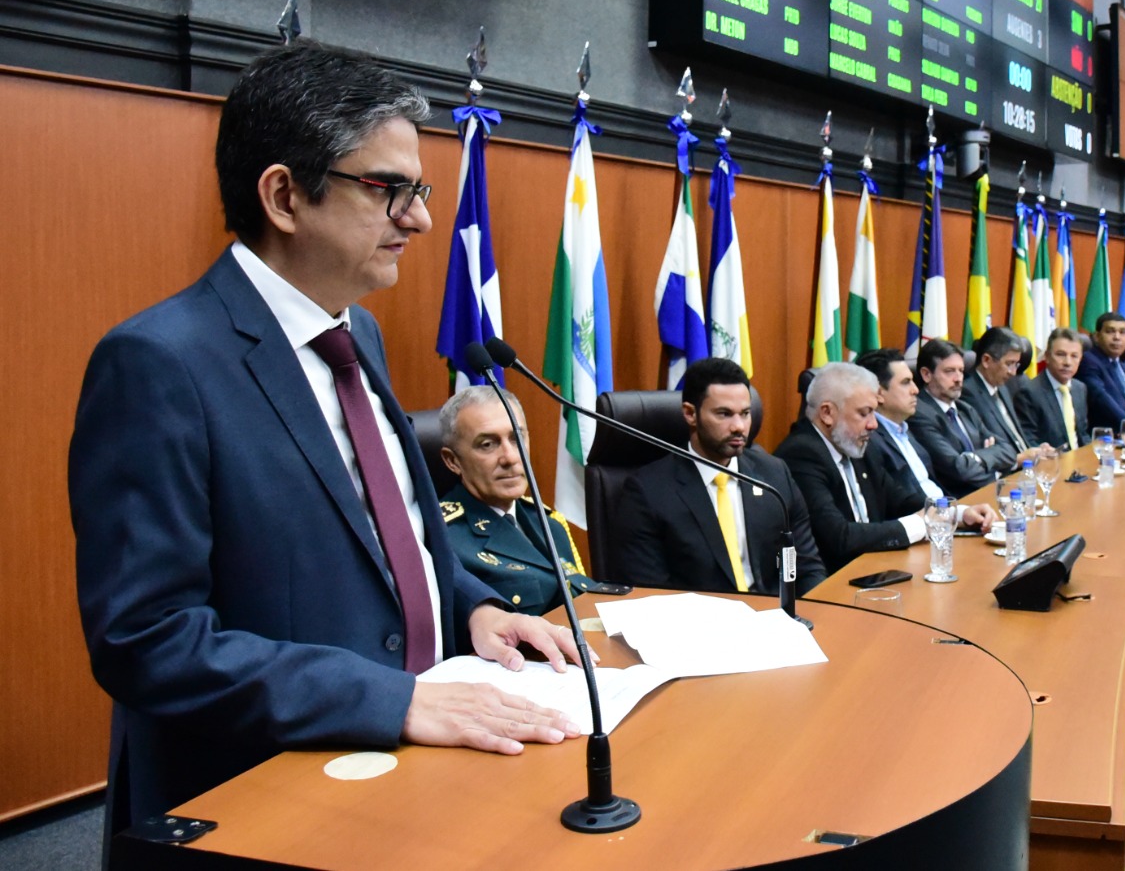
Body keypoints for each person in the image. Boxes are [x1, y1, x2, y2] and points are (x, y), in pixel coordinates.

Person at [69, 41, 584, 840]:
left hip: (413, 777)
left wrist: (473, 608)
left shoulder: (359, 333)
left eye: (420, 190)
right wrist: (393, 700)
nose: (419, 218)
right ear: (283, 195)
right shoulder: (159, 364)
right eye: (388, 189)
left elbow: (395, 537)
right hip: (264, 801)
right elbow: (147, 641)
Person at [611, 357, 826, 596]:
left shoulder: (774, 475)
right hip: (699, 626)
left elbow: (806, 567)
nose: (739, 427)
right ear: (690, 414)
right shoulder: (649, 491)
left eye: (745, 413)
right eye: (724, 414)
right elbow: (649, 592)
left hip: (774, 618)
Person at [776, 362, 975, 573]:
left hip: (876, 569)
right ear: (827, 413)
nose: (874, 424)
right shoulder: (801, 455)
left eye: (874, 412)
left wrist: (957, 514)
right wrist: (920, 525)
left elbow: (900, 500)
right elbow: (838, 537)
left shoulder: (855, 444)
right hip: (835, 581)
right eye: (864, 413)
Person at [437, 386, 596, 616]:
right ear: (453, 461)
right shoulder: (444, 539)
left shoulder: (549, 522)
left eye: (516, 438)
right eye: (487, 444)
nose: (510, 457)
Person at [856, 349, 998, 531]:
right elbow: (900, 504)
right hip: (923, 529)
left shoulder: (904, 429)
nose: (915, 390)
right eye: (906, 383)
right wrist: (952, 517)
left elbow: (934, 486)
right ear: (879, 393)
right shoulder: (870, 441)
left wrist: (960, 514)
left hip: (945, 517)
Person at [907, 338, 1017, 498]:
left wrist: (976, 457)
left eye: (961, 370)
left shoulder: (965, 408)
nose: (958, 378)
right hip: (959, 503)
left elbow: (1008, 450)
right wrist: (994, 469)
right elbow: (958, 470)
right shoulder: (919, 414)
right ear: (926, 374)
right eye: (949, 371)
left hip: (986, 494)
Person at [960, 326, 1041, 458]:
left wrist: (1036, 449)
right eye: (1009, 364)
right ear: (986, 360)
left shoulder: (1002, 385)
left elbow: (1015, 434)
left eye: (1016, 365)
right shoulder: (968, 393)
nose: (1013, 372)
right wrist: (1020, 458)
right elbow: (989, 446)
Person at [1013, 328, 1090, 451]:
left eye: (1074, 356)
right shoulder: (1029, 393)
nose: (1067, 362)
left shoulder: (1080, 388)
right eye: (1061, 354)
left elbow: (1082, 434)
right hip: (1052, 464)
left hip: (1080, 462)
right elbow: (1029, 441)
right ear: (1047, 356)